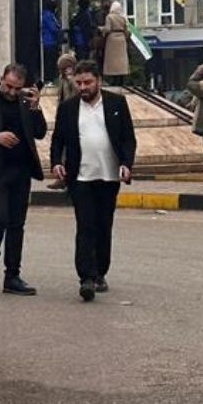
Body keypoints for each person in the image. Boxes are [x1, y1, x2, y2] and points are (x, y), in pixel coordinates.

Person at [50, 58, 137, 301]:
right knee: (85, 225)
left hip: (109, 176)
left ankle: (100, 272)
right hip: (80, 177)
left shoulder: (116, 103)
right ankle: (86, 278)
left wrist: (126, 164)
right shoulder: (68, 108)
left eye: (87, 82)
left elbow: (128, 138)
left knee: (103, 225)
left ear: (98, 80)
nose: (83, 87)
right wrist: (56, 162)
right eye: (78, 83)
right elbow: (58, 139)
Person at [0, 63, 47, 299]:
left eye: (17, 89)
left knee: (17, 224)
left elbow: (40, 132)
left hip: (21, 169)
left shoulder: (25, 102)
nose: (12, 92)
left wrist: (35, 107)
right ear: (1, 79)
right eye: (9, 86)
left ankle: (12, 275)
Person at [100, 0, 132, 84]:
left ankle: (114, 80)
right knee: (122, 60)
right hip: (121, 39)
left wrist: (102, 31)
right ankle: (121, 79)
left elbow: (107, 29)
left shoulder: (109, 17)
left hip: (112, 39)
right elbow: (127, 30)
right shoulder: (123, 17)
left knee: (112, 60)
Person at [39, 2, 62, 86]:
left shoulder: (49, 15)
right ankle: (48, 79)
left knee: (52, 60)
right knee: (49, 61)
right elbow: (53, 28)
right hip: (48, 41)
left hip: (51, 41)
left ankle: (51, 77)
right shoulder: (48, 15)